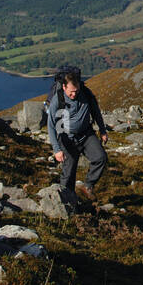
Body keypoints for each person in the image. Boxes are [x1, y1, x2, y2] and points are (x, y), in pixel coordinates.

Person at [46, 65, 109, 206]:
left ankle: (88, 185)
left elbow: (96, 112)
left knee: (100, 158)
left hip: (86, 134)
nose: (74, 95)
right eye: (71, 92)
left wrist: (103, 130)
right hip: (67, 138)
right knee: (69, 172)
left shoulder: (85, 93)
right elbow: (50, 125)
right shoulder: (58, 99)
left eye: (76, 91)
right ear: (64, 87)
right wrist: (56, 149)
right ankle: (67, 203)